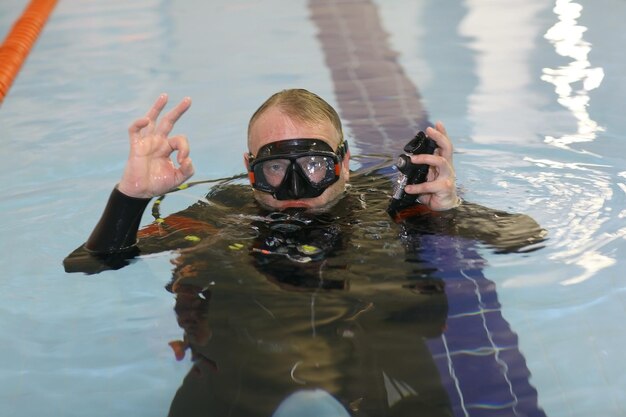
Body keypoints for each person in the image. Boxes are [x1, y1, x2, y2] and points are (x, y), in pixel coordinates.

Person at [64, 89, 546, 417]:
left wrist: (448, 211)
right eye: (275, 169)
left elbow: (523, 236)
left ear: (345, 163)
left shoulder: (389, 203)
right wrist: (130, 197)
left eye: (314, 165)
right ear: (249, 169)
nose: (295, 189)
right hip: (244, 367)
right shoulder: (221, 211)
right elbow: (89, 262)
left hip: (378, 360)